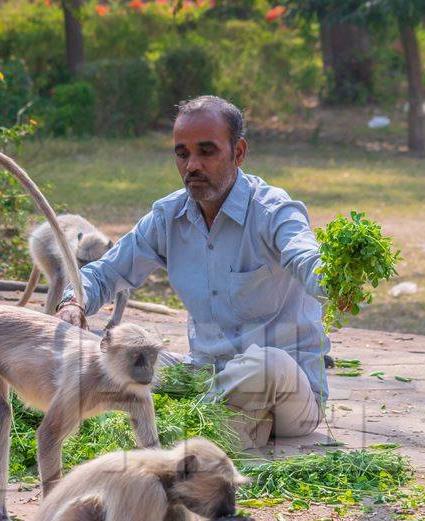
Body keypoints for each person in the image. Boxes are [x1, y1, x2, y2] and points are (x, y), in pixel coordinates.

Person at [56, 95, 334, 449]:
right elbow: (105, 272)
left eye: (207, 151)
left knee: (267, 364)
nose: (192, 166)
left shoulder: (273, 210)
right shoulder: (167, 218)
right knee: (100, 350)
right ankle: (225, 427)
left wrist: (333, 279)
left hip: (290, 397)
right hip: (203, 377)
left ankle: (186, 427)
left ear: (239, 152)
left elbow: (304, 255)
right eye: (182, 153)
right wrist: (72, 303)